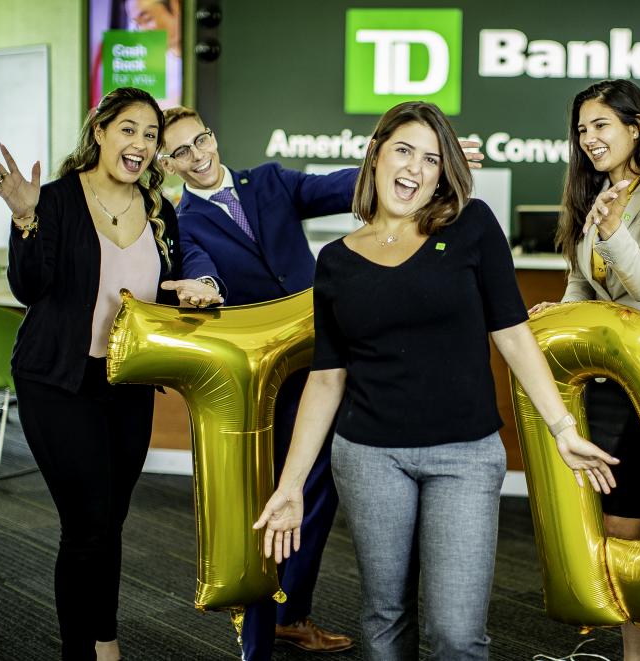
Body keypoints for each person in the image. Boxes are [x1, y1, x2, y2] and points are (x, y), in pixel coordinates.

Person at [251, 101, 619, 661]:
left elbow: (514, 334)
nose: (415, 169)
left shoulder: (472, 226)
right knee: (385, 621)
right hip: (370, 456)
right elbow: (327, 380)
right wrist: (291, 484)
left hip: (465, 456)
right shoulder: (336, 261)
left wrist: (562, 427)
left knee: (455, 633)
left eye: (431, 159)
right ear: (374, 157)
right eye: (403, 151)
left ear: (444, 171)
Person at [158, 106, 483, 658]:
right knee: (282, 490)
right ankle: (270, 620)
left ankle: (291, 612)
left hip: (329, 352)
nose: (198, 156)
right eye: (182, 152)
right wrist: (205, 284)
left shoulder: (269, 180)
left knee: (324, 486)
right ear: (167, 164)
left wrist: (411, 170)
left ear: (214, 136)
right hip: (268, 376)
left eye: (202, 140)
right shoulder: (183, 219)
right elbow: (198, 260)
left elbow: (339, 188)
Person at [0, 87, 221, 661]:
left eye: (151, 135)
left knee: (109, 521)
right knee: (86, 523)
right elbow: (29, 289)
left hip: (126, 384)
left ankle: (102, 640)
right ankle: (84, 649)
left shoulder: (159, 210)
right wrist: (25, 216)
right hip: (57, 381)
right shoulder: (56, 200)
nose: (139, 143)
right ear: (101, 131)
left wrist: (192, 293)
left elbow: (169, 284)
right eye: (129, 129)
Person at [528, 79, 640, 661]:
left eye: (601, 125)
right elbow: (587, 281)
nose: (588, 139)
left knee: (631, 520)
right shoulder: (595, 195)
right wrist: (561, 308)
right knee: (608, 518)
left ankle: (639, 650)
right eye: (581, 129)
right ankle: (638, 644)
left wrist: (609, 231)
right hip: (607, 380)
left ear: (636, 127)